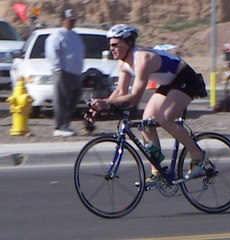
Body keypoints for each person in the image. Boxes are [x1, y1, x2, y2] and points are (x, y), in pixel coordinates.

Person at [88, 24, 207, 185]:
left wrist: (107, 102)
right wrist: (98, 107)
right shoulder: (123, 64)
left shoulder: (143, 59)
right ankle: (158, 171)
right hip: (169, 83)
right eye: (110, 45)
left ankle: (198, 156)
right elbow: (121, 92)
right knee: (146, 124)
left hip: (185, 78)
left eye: (116, 44)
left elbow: (135, 97)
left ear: (129, 43)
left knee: (165, 118)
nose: (111, 48)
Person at [45, 9, 85, 137]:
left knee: (73, 99)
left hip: (75, 73)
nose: (72, 22)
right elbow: (52, 52)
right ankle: (59, 126)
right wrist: (57, 68)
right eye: (69, 20)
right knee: (61, 100)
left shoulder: (75, 35)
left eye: (73, 20)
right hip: (63, 72)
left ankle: (66, 124)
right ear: (62, 21)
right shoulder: (57, 35)